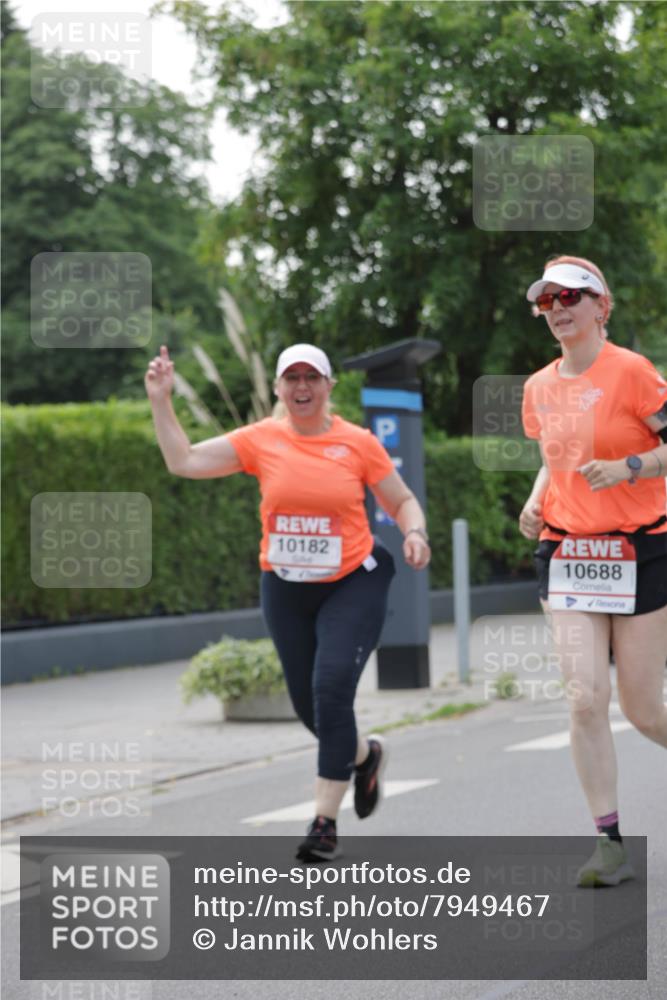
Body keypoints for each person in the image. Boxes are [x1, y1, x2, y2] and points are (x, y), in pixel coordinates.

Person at [145, 342, 431, 861]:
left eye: (312, 378)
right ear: (278, 387)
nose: (302, 388)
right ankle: (365, 757)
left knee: (331, 687)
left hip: (353, 581)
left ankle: (323, 822)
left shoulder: (357, 443)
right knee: (310, 707)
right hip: (285, 586)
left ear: (328, 386)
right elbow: (183, 461)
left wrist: (414, 533)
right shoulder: (261, 439)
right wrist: (161, 400)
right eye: (291, 379)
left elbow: (402, 499)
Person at [520, 254, 667, 887]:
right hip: (570, 552)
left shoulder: (632, 372)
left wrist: (632, 468)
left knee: (641, 708)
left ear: (600, 306)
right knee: (585, 699)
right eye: (548, 300)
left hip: (639, 548)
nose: (558, 308)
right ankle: (608, 842)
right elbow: (555, 459)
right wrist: (535, 498)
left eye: (570, 297)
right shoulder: (538, 387)